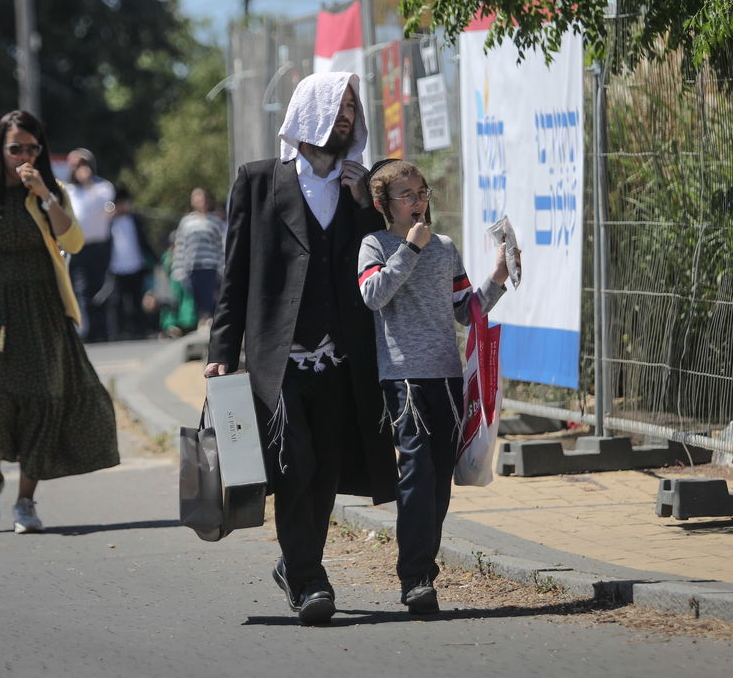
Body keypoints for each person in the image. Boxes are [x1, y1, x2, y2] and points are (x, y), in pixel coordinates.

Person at [204, 72, 397, 626]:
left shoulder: (361, 188)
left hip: (342, 356)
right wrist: (223, 348)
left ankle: (295, 564)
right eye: (338, 104)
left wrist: (364, 204)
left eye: (353, 106)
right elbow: (234, 273)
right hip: (278, 356)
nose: (347, 114)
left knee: (328, 467)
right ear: (311, 110)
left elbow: (382, 259)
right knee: (295, 460)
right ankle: (311, 579)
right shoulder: (258, 180)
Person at [0, 110, 120, 534]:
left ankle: (26, 501)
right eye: (15, 148)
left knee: (42, 400)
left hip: (42, 310)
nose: (24, 156)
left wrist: (45, 196)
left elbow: (74, 241)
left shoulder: (51, 191)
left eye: (32, 148)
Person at [357, 158, 515, 615]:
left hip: (446, 376)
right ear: (383, 204)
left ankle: (424, 568)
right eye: (406, 195)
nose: (418, 202)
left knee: (440, 479)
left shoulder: (444, 247)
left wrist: (498, 276)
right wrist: (409, 248)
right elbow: (373, 296)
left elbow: (466, 310)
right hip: (403, 377)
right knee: (417, 472)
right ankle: (415, 578)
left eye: (422, 193)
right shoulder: (375, 244)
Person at [63, 148, 116, 342]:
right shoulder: (68, 191)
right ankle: (85, 331)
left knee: (100, 289)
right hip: (78, 247)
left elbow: (104, 209)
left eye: (81, 164)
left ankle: (102, 331)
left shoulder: (103, 187)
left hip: (100, 247)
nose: (78, 169)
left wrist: (88, 183)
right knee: (81, 289)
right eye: (74, 166)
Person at [105, 187, 157, 340]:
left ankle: (140, 330)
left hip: (136, 266)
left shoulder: (136, 220)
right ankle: (117, 332)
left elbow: (144, 242)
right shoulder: (110, 222)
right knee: (117, 302)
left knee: (136, 300)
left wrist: (154, 258)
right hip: (116, 268)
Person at [170, 187, 224, 324]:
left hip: (211, 267)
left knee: (210, 301)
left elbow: (221, 245)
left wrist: (223, 267)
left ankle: (207, 322)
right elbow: (180, 246)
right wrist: (178, 269)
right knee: (193, 302)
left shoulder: (215, 221)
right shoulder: (186, 221)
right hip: (192, 267)